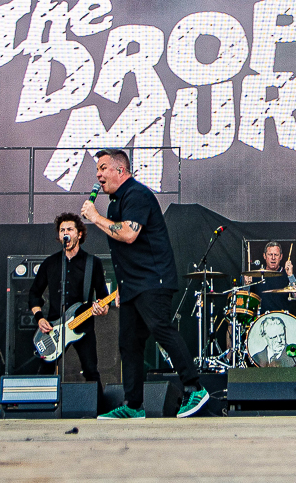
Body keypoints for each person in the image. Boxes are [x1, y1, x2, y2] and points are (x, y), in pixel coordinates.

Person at [81, 148, 209, 419]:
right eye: (97, 170)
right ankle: (133, 405)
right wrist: (121, 285)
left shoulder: (136, 194)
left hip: (153, 280)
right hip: (132, 284)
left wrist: (95, 217)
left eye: (103, 168)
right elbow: (125, 249)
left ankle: (195, 388)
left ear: (120, 170)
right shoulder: (115, 203)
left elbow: (129, 234)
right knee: (129, 342)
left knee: (161, 329)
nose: (98, 175)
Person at [29, 213, 110, 392]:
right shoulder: (50, 263)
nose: (65, 233)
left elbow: (103, 298)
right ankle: (40, 405)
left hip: (83, 325)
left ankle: (98, 406)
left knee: (91, 370)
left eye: (70, 229)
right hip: (53, 327)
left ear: (79, 234)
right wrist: (40, 318)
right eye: (62, 230)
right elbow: (34, 293)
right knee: (45, 371)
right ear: (59, 235)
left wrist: (102, 309)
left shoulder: (92, 263)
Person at [243, 241, 296, 312]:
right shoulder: (256, 275)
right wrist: (246, 285)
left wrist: (291, 276)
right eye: (270, 254)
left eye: (276, 255)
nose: (273, 258)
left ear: (281, 257)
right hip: (261, 317)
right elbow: (245, 301)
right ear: (264, 256)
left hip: (283, 317)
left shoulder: (287, 274)